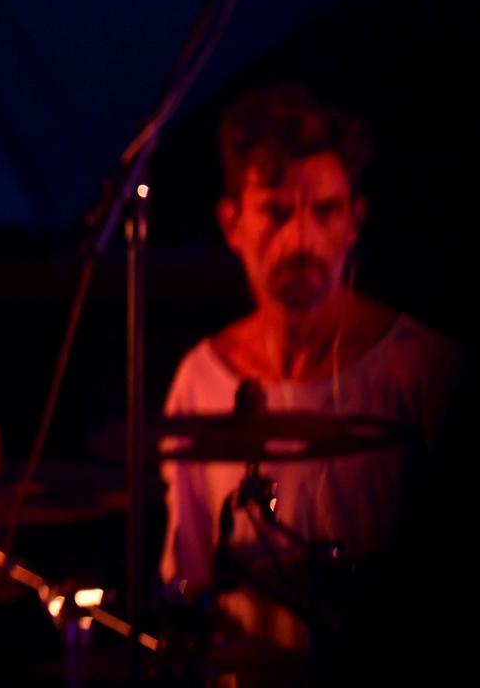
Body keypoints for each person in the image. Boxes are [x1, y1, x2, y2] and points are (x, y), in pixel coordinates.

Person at [159, 83, 463, 672]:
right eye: (276, 212)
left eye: (324, 212)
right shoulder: (200, 380)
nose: (301, 239)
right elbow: (189, 583)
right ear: (231, 223)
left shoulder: (423, 372)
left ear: (355, 221)